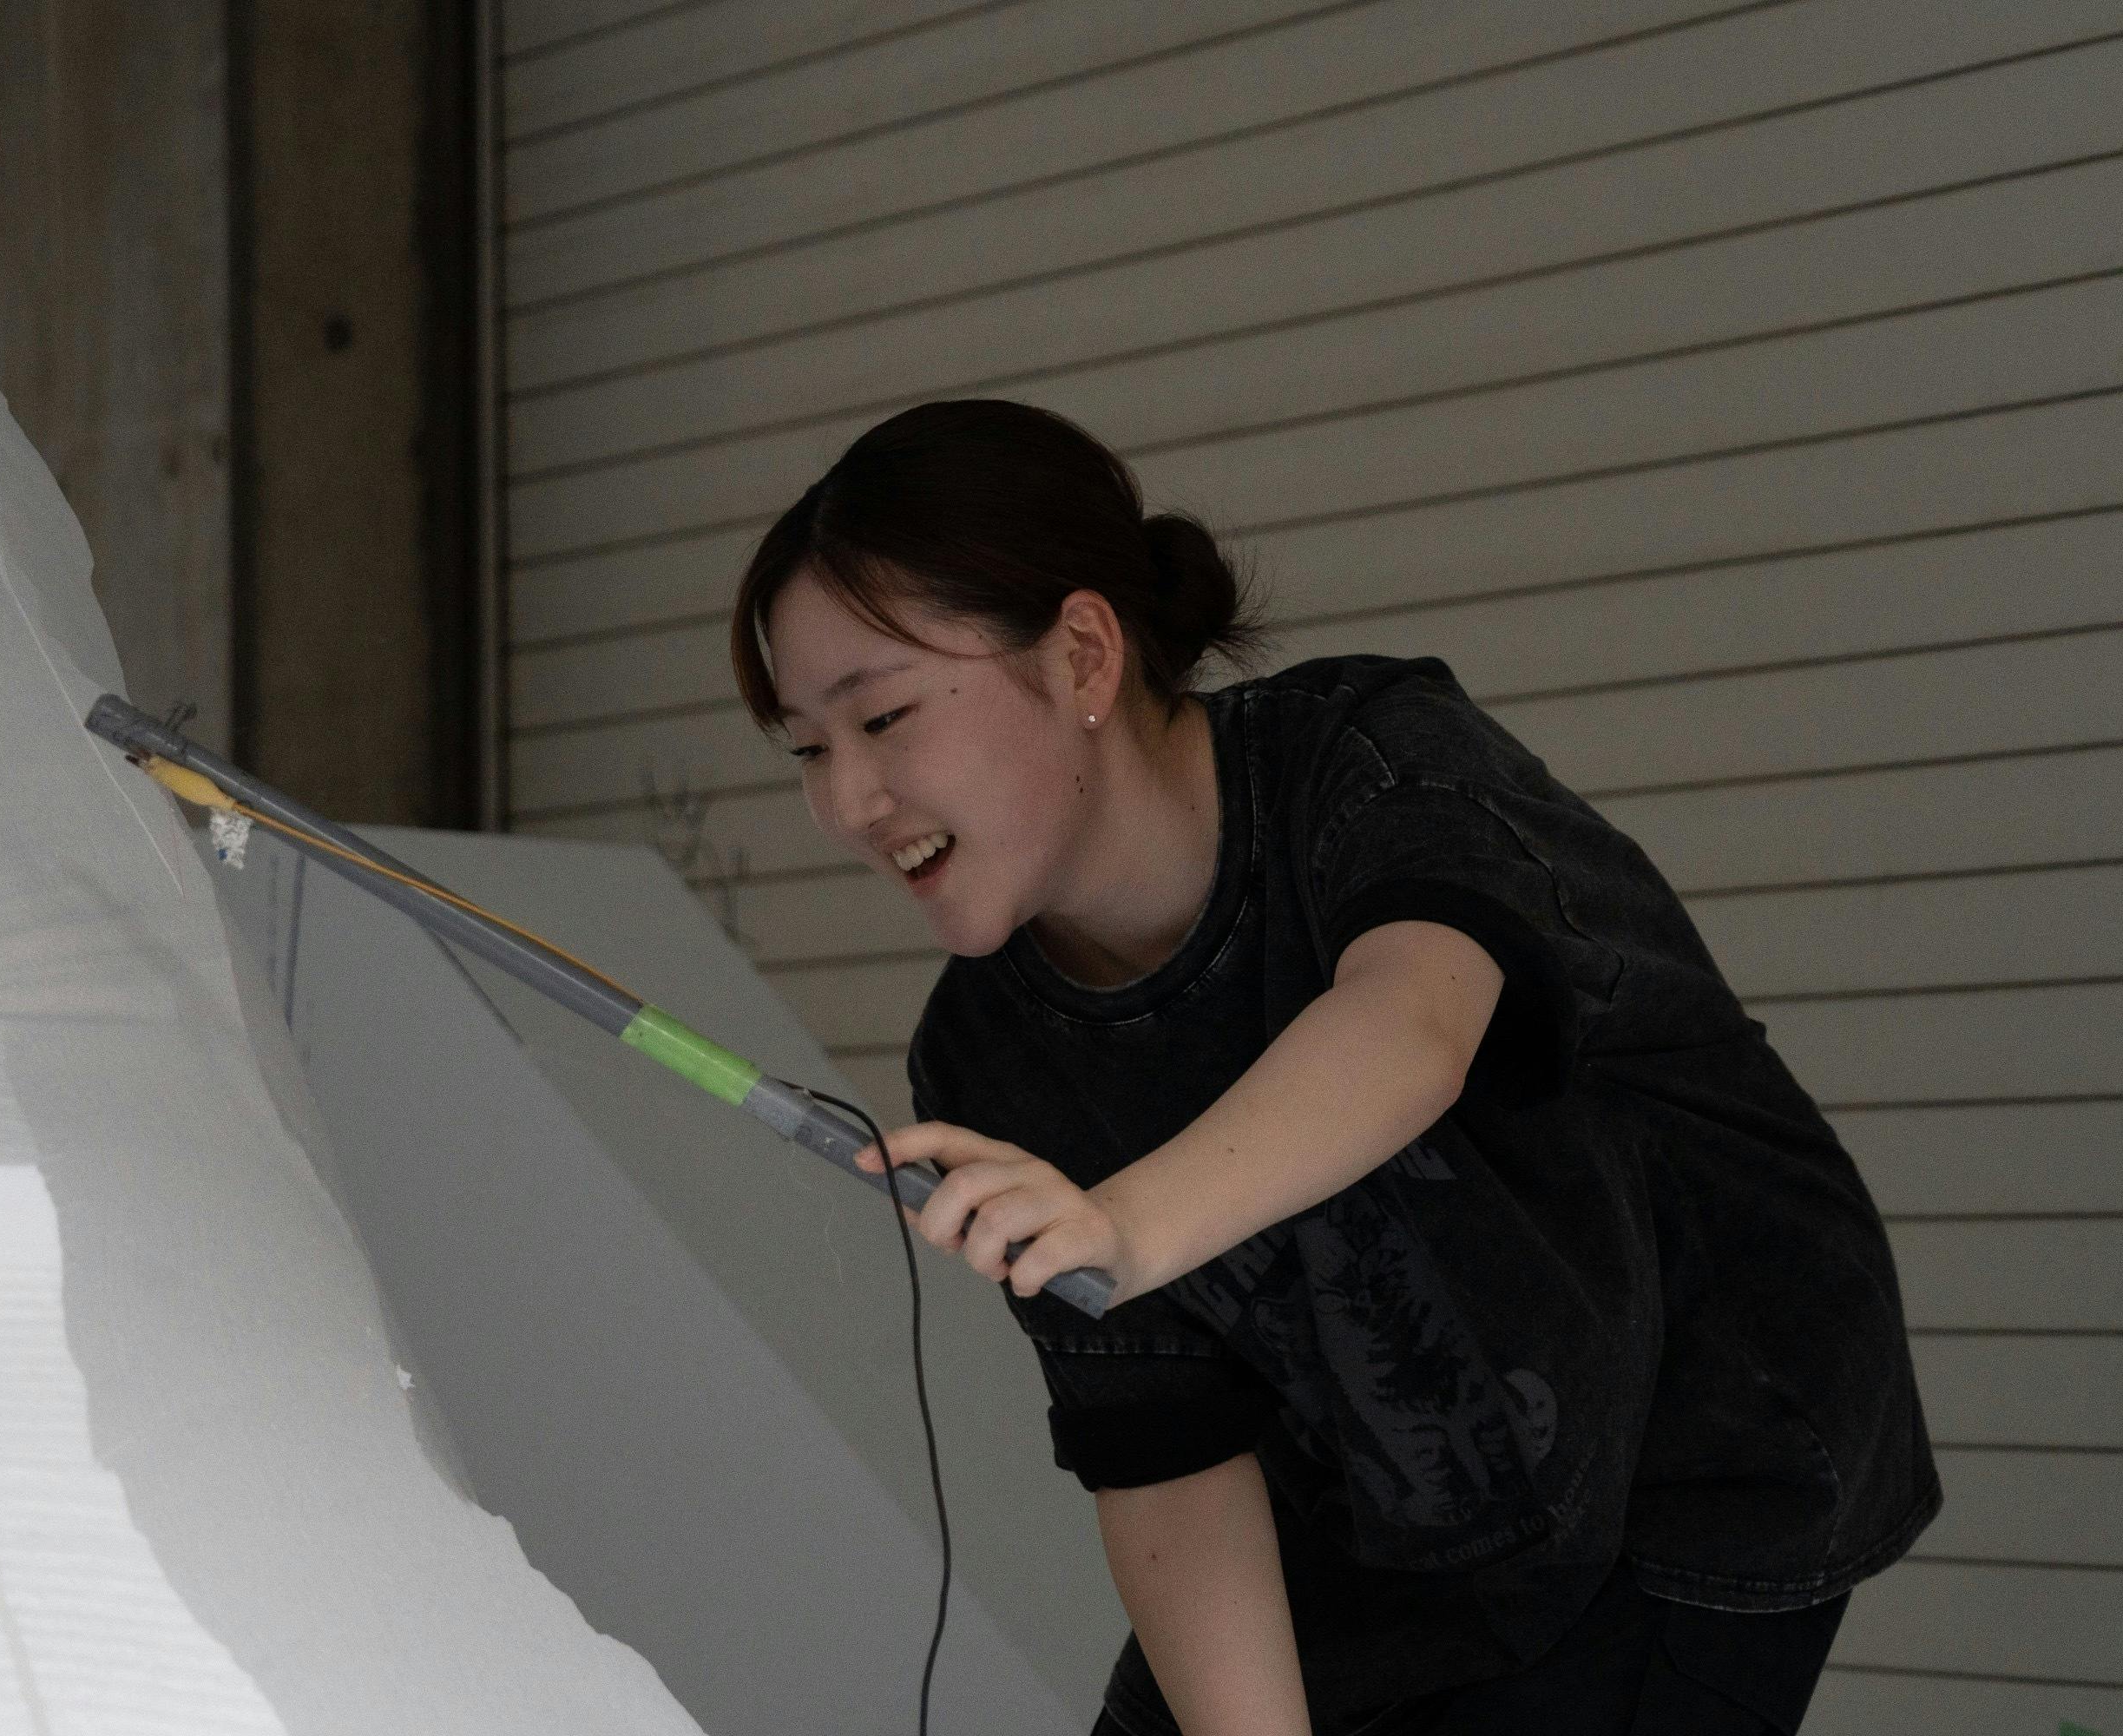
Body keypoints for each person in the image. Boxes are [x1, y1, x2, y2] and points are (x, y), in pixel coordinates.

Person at [725, 399, 1937, 1735]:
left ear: (1080, 655)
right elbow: (1168, 1452)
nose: (846, 803)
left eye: (885, 717)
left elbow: (1411, 1025)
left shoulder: (1374, 761)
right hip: (1386, 1523)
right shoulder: (985, 1052)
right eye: (809, 749)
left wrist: (1121, 1224)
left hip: (1698, 1459)